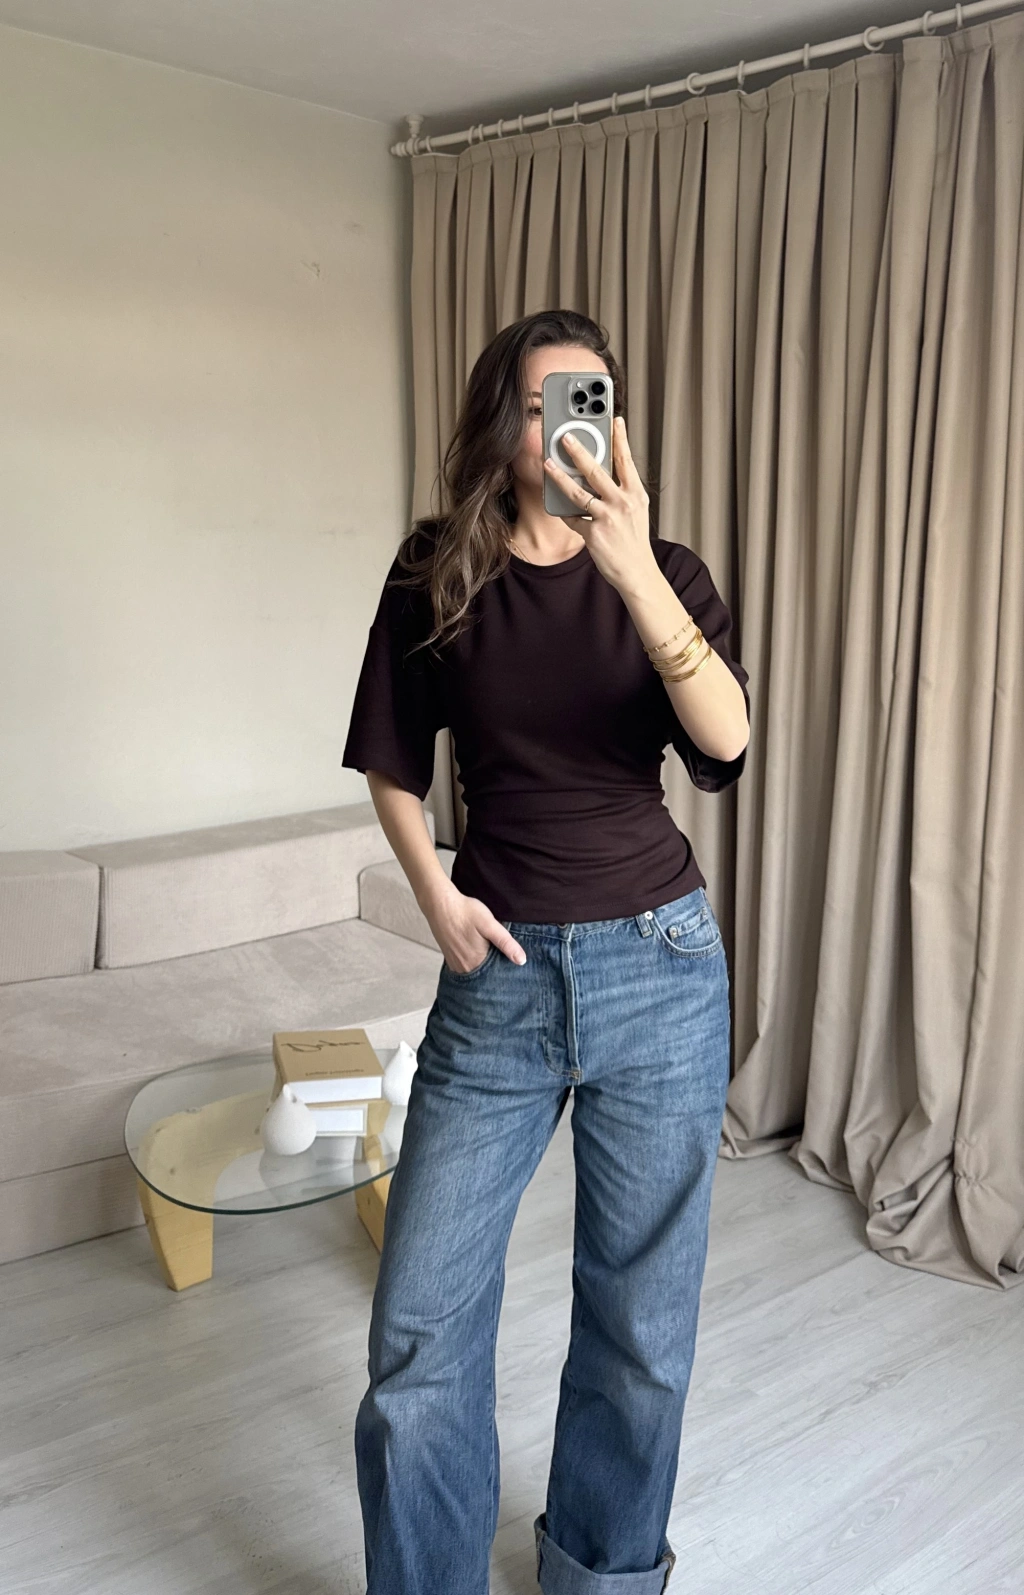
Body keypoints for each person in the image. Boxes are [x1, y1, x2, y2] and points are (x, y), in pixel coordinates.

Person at [341, 308, 750, 1595]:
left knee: (640, 1327)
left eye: (589, 402)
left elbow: (725, 744)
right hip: (497, 977)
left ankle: (602, 1578)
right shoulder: (437, 567)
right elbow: (392, 757)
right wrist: (434, 896)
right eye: (539, 405)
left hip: (660, 965)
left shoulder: (664, 569)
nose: (566, 429)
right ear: (501, 423)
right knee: (419, 1327)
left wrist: (630, 570)